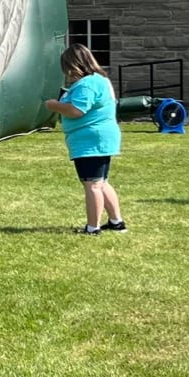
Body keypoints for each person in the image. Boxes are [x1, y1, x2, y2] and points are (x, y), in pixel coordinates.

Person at [45, 43, 127, 235]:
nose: (67, 74)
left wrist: (53, 105)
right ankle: (116, 222)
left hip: (91, 140)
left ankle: (92, 228)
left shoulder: (87, 84)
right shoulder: (100, 80)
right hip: (100, 138)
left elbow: (77, 110)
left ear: (75, 65)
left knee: (92, 185)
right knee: (101, 182)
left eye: (67, 68)